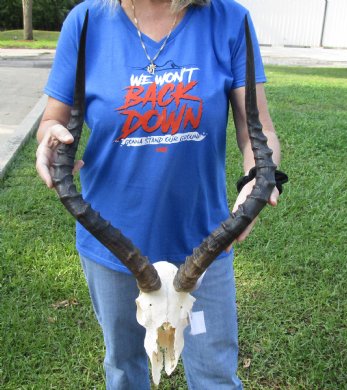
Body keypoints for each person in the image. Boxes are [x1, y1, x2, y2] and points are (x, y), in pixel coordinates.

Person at [36, 0, 281, 388]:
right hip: (111, 245)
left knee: (215, 373)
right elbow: (54, 118)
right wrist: (49, 137)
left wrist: (258, 177)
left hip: (204, 244)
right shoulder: (86, 22)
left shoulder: (229, 20)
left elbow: (256, 128)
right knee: (125, 366)